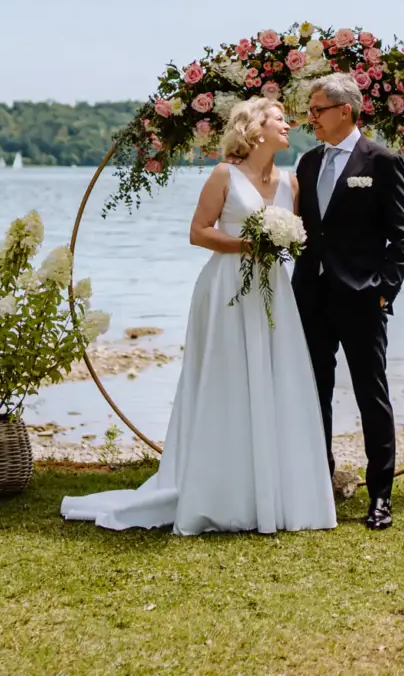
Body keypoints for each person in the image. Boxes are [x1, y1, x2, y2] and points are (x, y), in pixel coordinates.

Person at [59, 98, 336, 535]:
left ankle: (275, 491)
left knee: (276, 377)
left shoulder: (292, 183)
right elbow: (198, 232)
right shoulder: (225, 174)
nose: (290, 125)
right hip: (226, 287)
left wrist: (285, 245)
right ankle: (219, 490)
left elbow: (297, 239)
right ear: (256, 129)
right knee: (226, 380)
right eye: (280, 119)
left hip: (273, 292)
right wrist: (250, 245)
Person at [293, 72, 404, 530]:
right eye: (309, 111)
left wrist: (384, 290)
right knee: (313, 395)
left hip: (363, 299)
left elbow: (403, 234)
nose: (311, 119)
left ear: (345, 110)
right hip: (310, 296)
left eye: (317, 110)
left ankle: (380, 495)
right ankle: (319, 485)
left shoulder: (381, 161)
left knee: (371, 396)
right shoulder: (307, 163)